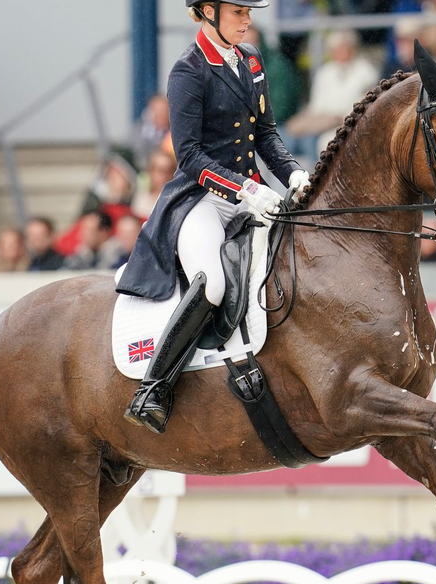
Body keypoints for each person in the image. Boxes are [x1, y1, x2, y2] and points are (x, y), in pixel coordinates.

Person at [116, 0, 308, 434]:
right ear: (207, 10)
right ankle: (153, 388)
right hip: (202, 200)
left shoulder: (251, 60)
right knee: (214, 283)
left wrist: (293, 174)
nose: (248, 19)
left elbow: (266, 134)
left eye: (247, 12)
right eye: (238, 12)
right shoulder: (189, 70)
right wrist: (244, 189)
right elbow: (188, 156)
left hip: (252, 193)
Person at [284, 28, 379, 156]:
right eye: (334, 50)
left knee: (316, 141)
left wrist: (333, 119)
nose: (337, 53)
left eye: (342, 48)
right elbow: (316, 106)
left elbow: (361, 107)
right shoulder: (325, 72)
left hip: (347, 123)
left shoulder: (366, 72)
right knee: (284, 137)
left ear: (352, 48)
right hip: (321, 121)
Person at [132, 149, 176, 219]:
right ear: (150, 171)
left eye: (168, 171)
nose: (164, 176)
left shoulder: (177, 200)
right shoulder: (140, 198)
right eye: (160, 170)